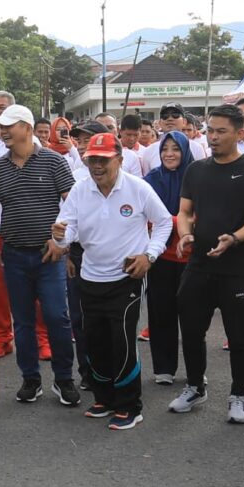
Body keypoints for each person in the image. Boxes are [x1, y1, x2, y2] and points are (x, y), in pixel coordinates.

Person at [54, 131, 169, 431]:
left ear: (119, 159)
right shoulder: (80, 190)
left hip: (127, 277)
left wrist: (150, 255)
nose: (97, 166)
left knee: (122, 340)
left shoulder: (138, 188)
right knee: (95, 340)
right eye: (93, 159)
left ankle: (130, 405)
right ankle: (104, 398)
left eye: (104, 160)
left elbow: (165, 221)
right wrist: (59, 236)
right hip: (91, 276)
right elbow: (69, 230)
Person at [170, 103, 244, 422]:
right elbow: (184, 212)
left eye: (221, 131)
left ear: (239, 133)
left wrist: (234, 238)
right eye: (210, 130)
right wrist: (185, 234)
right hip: (199, 263)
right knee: (190, 329)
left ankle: (239, 394)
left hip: (236, 267)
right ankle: (195, 385)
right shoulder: (196, 170)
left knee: (239, 336)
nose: (213, 137)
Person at [0, 103, 82, 407]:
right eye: (0, 126)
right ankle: (31, 380)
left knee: (57, 317)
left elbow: (72, 206)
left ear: (26, 128)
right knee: (23, 321)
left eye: (9, 126)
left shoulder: (54, 162)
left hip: (49, 256)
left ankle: (64, 378)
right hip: (14, 255)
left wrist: (63, 243)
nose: (3, 132)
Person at [142, 132, 194, 386]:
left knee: (193, 315)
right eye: (165, 149)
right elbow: (143, 215)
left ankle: (196, 368)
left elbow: (204, 213)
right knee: (161, 312)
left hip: (191, 257)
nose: (169, 154)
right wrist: (178, 222)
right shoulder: (151, 179)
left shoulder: (196, 177)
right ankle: (164, 367)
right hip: (160, 256)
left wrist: (170, 222)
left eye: (176, 149)